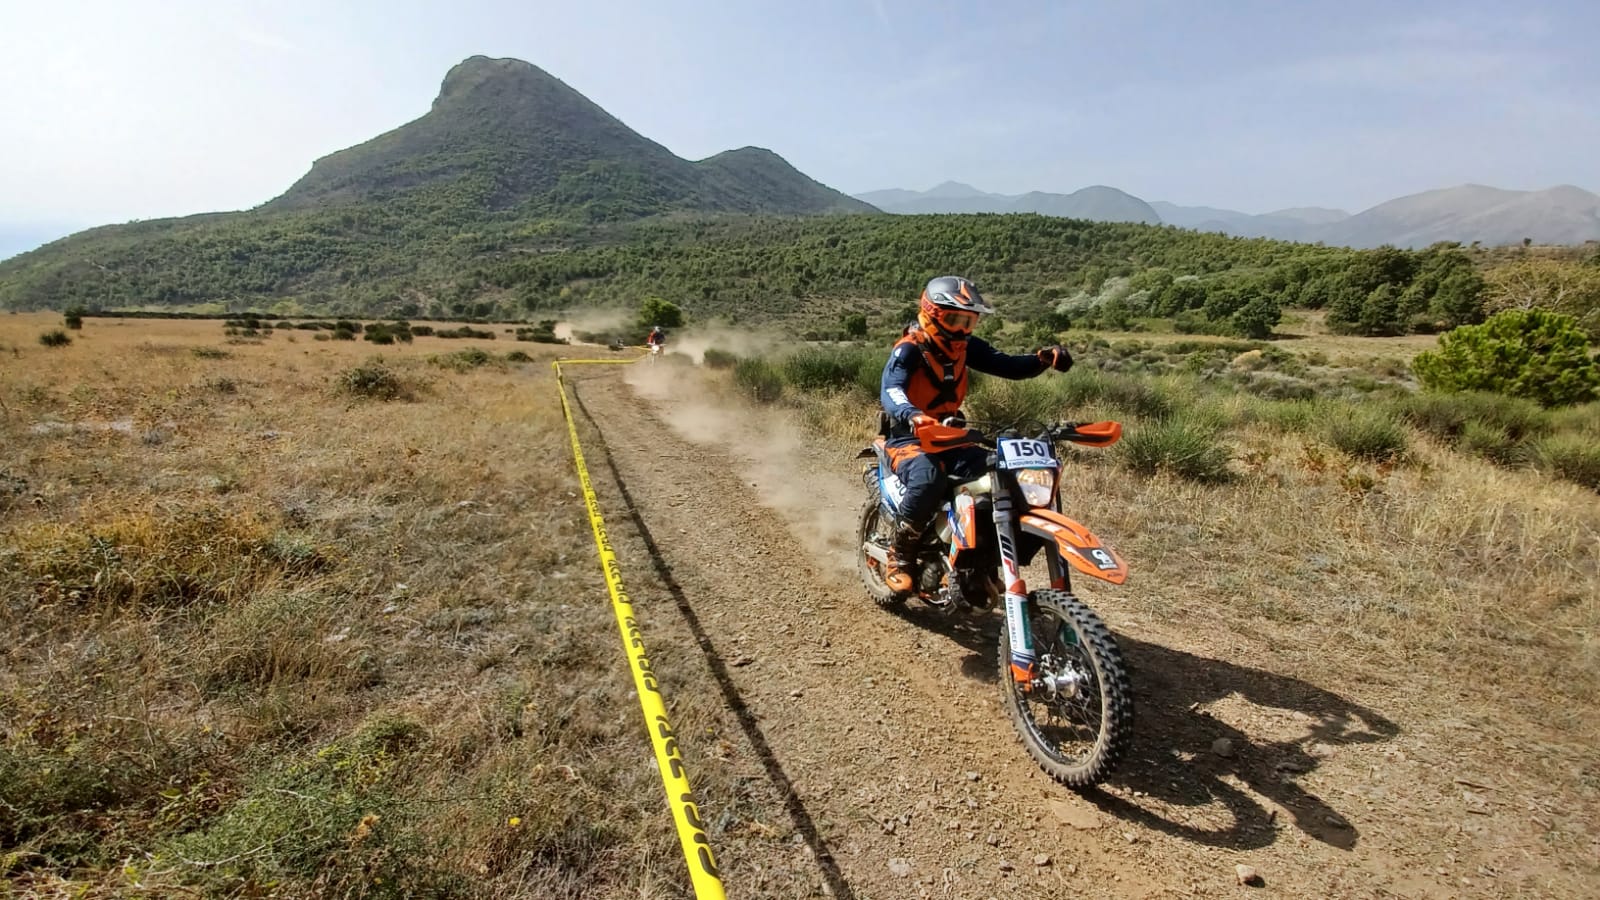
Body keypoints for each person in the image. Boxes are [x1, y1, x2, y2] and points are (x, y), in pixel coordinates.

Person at [878, 275, 1073, 595]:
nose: (961, 331)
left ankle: (981, 560)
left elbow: (1007, 365)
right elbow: (892, 390)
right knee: (928, 478)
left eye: (969, 322)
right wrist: (913, 415)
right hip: (909, 438)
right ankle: (900, 552)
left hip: (951, 435)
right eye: (955, 320)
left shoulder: (965, 347)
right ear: (931, 315)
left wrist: (1041, 360)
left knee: (1002, 473)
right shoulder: (909, 350)